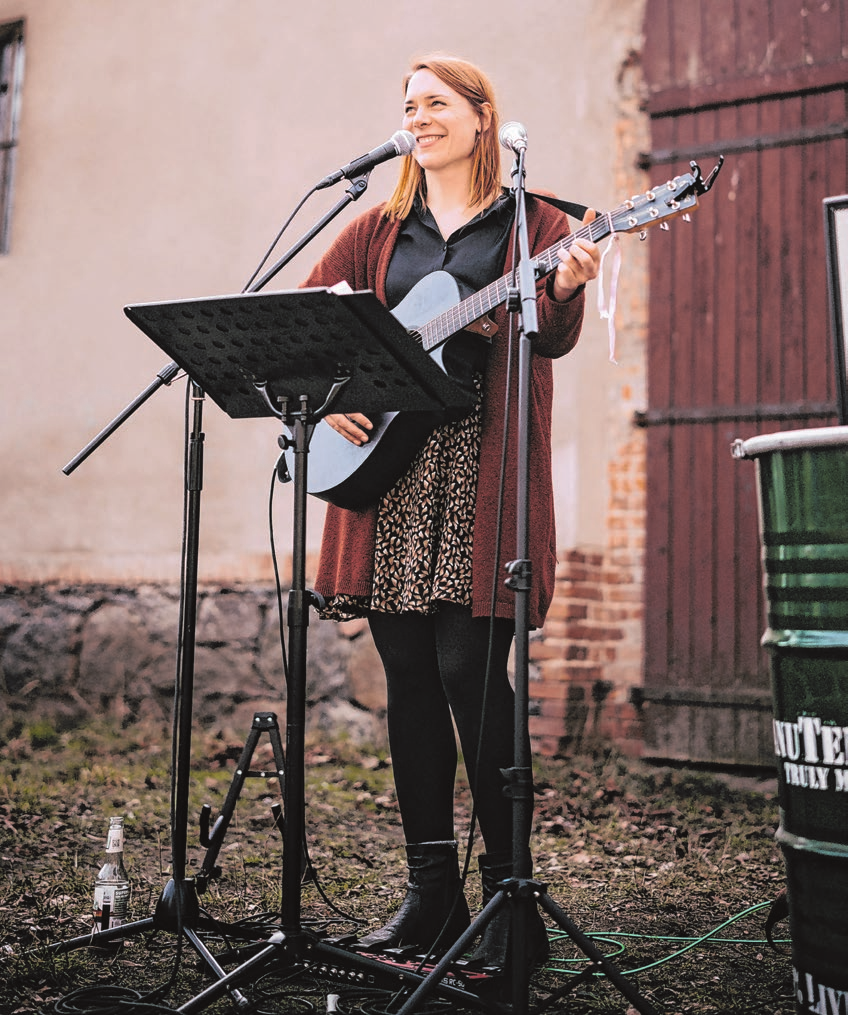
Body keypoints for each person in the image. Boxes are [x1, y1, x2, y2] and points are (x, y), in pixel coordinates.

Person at [301, 54, 600, 971]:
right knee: (410, 680)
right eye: (407, 106)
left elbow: (547, 334)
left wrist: (566, 284)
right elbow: (306, 319)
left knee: (474, 671)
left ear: (480, 117)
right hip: (387, 476)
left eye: (434, 103)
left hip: (481, 470)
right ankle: (432, 893)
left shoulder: (536, 222)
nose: (416, 117)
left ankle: (515, 902)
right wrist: (327, 390)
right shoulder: (378, 229)